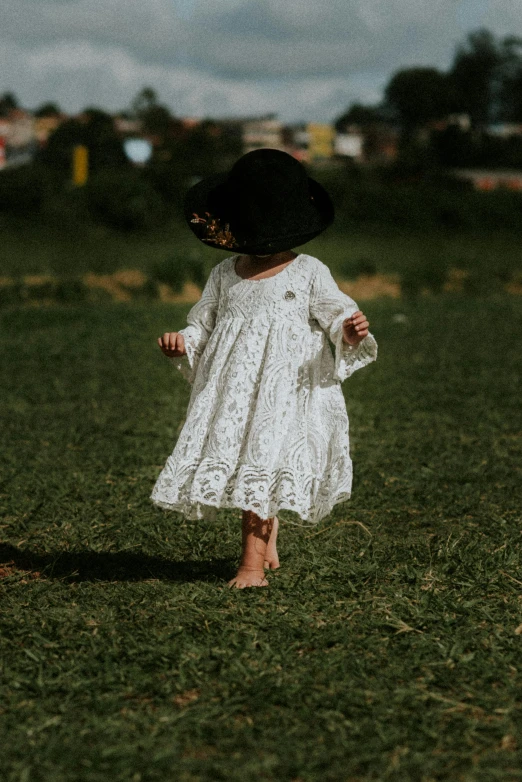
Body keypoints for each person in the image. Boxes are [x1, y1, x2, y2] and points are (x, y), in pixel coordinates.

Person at [151, 149, 377, 588]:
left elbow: (336, 315)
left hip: (286, 389)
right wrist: (183, 343)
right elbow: (202, 323)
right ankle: (264, 542)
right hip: (235, 389)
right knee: (250, 460)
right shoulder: (224, 274)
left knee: (265, 456)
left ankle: (251, 567)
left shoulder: (308, 272)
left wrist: (350, 332)